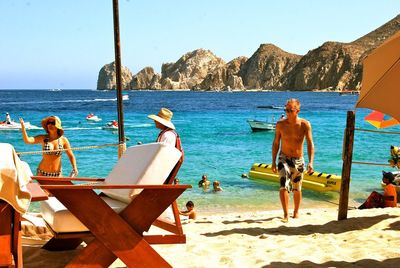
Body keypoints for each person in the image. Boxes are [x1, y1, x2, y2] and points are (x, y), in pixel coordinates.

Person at [271, 98, 314, 222]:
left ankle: (295, 212)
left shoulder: (305, 125)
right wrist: (273, 161)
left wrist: (311, 162)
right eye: (286, 110)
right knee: (283, 185)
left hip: (298, 160)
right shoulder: (280, 124)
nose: (288, 112)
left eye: (290, 110)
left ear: (297, 111)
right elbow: (275, 144)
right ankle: (285, 214)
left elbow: (310, 144)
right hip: (283, 158)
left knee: (297, 188)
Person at [148, 108, 184, 183]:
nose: (154, 121)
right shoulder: (167, 133)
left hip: (164, 169)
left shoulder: (167, 135)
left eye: (156, 120)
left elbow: (164, 154)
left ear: (161, 122)